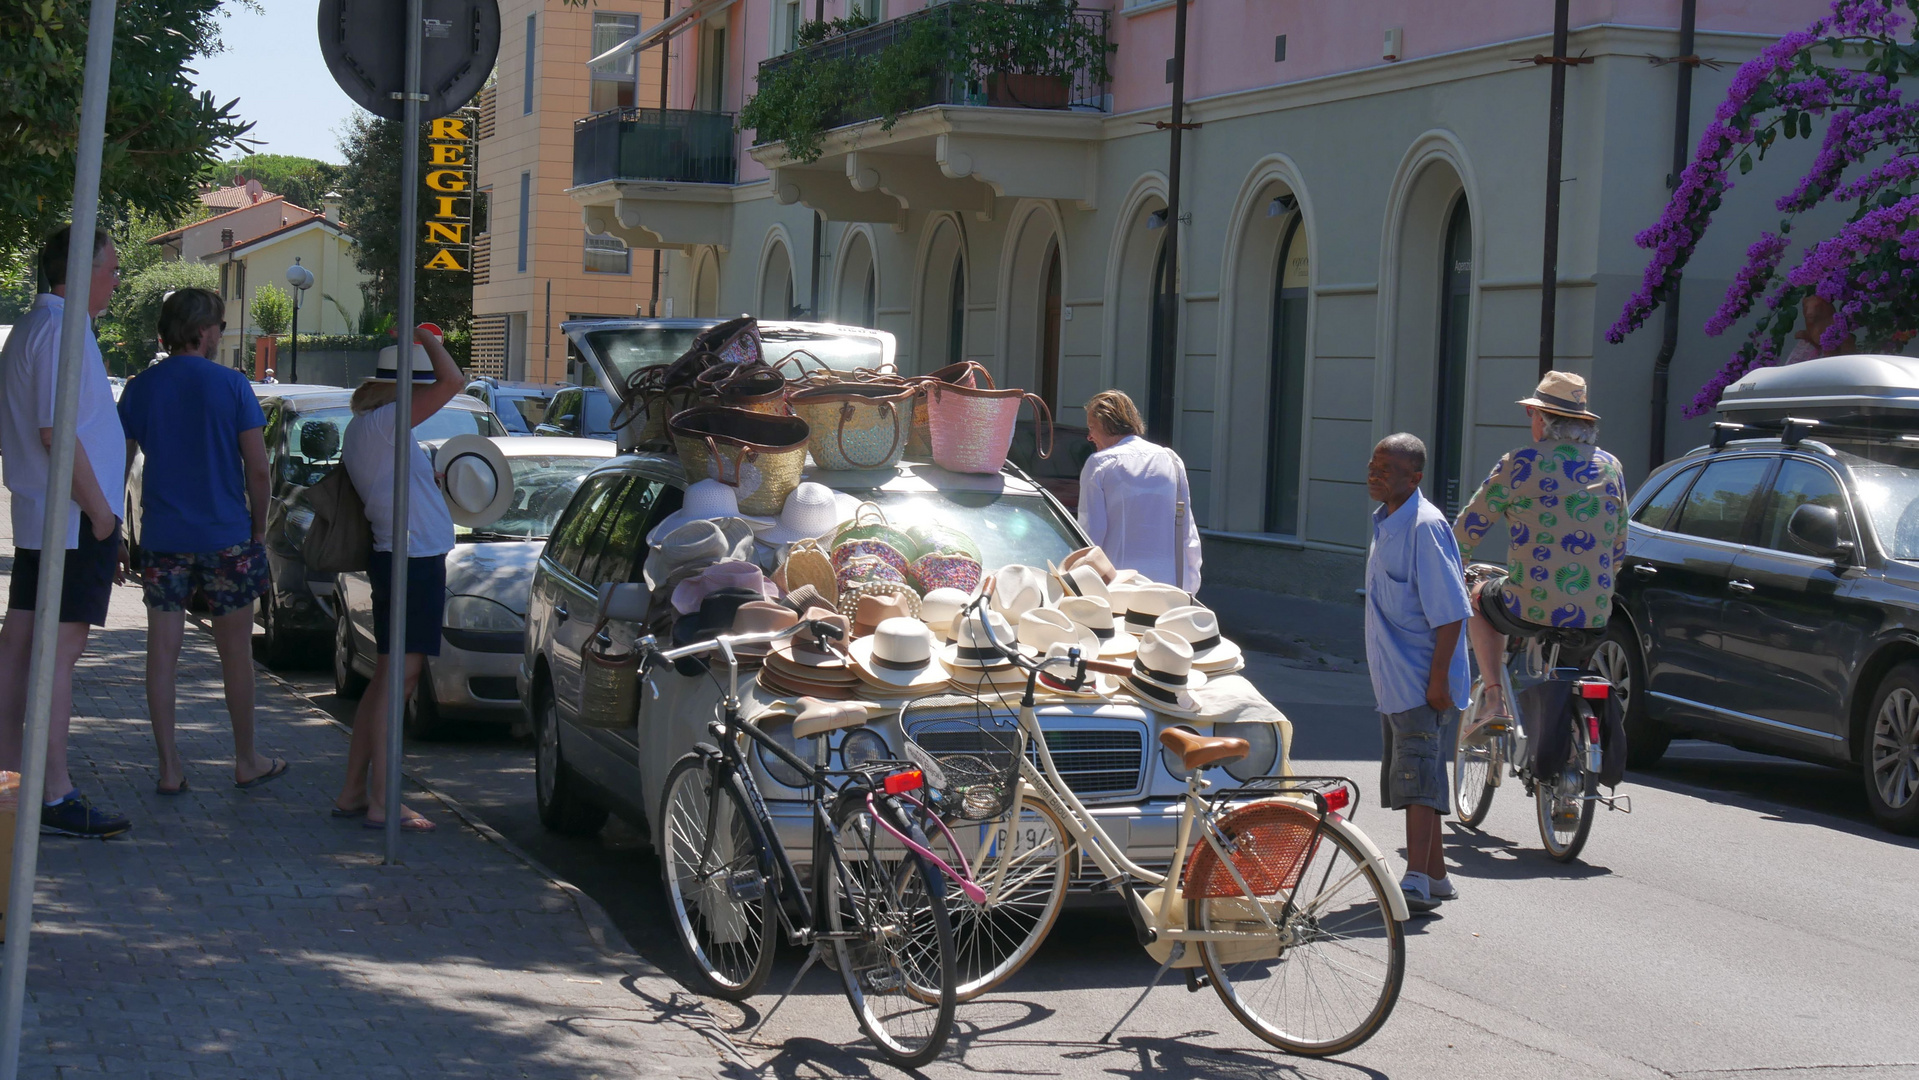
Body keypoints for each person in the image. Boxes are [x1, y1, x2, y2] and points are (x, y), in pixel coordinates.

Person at [119, 288, 286, 795]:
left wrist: (116, 533)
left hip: (165, 538)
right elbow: (258, 469)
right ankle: (245, 759)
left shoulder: (141, 388)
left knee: (161, 653)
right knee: (235, 651)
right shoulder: (233, 386)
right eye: (217, 326)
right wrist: (259, 527)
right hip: (226, 538)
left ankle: (170, 768)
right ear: (204, 330)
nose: (219, 334)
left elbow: (119, 464)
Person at [0, 224, 131, 837]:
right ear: (81, 271)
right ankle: (52, 794)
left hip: (45, 518)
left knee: (22, 651)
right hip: (74, 522)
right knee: (56, 656)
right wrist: (105, 515)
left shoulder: (37, 326)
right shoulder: (61, 328)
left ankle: (13, 783)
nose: (115, 280)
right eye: (110, 269)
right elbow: (57, 433)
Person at [332, 325, 464, 832]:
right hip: (411, 559)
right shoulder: (388, 423)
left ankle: (353, 792)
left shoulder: (373, 427)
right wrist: (427, 339)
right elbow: (454, 380)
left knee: (388, 678)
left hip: (401, 556)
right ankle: (383, 800)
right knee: (400, 680)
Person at [1453, 371, 1627, 728]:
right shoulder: (1611, 466)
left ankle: (1494, 699)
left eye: (1531, 412)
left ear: (1543, 419)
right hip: (1593, 609)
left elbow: (1467, 529)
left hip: (1528, 603)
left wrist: (1453, 568)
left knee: (1478, 602)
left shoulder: (1520, 463)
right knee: (1570, 678)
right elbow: (1619, 546)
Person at [1364, 433, 1469, 913]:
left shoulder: (1425, 526)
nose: (1375, 473)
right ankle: (1439, 874)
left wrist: (1438, 680)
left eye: (1388, 468)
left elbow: (1451, 614)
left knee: (1417, 776)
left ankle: (1415, 880)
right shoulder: (1387, 520)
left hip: (1420, 677)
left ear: (1416, 477)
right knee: (1414, 772)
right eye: (1374, 463)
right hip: (1395, 676)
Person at [1076, 390, 1203, 591]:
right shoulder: (1171, 459)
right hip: (1169, 587)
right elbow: (1187, 531)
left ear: (1108, 423)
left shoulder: (1100, 464)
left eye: (1092, 427)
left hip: (1119, 587)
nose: (1089, 436)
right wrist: (1190, 585)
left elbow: (1091, 533)